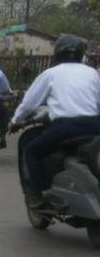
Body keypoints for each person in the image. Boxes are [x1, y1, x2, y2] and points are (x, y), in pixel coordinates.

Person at [10, 34, 100, 207]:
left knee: (31, 150)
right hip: (94, 126)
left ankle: (40, 195)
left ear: (57, 53)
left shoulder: (50, 74)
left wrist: (15, 121)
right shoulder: (92, 73)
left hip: (66, 128)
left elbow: (29, 104)